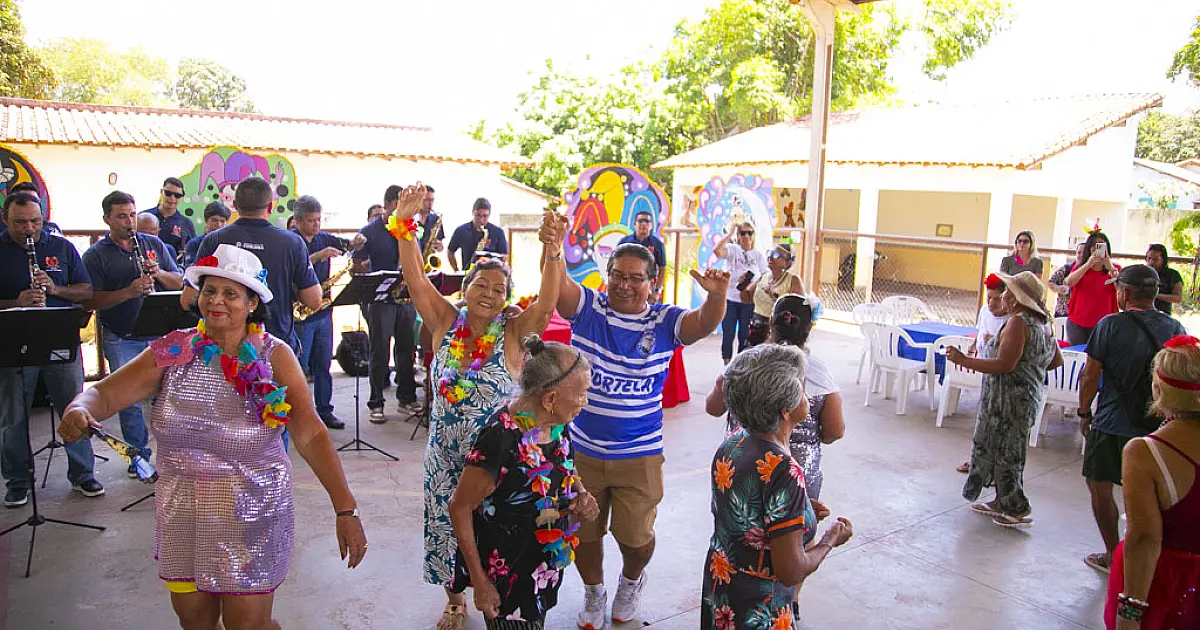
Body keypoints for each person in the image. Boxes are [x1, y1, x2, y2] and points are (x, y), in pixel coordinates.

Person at [58, 244, 367, 630]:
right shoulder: (175, 347)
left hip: (252, 515)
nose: (216, 301)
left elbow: (309, 433)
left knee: (248, 626)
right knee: (193, 620)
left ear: (252, 303)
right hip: (183, 514)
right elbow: (104, 393)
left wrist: (346, 509)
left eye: (230, 293)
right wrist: (80, 407)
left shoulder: (275, 357)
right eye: (209, 291)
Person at [390, 183, 566, 630]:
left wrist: (552, 251)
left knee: (497, 536)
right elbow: (414, 277)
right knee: (447, 534)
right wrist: (405, 227)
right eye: (481, 284)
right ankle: (455, 599)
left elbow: (546, 305)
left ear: (507, 296)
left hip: (496, 465)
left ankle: (496, 596)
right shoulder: (443, 321)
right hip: (445, 459)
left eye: (499, 287)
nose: (489, 292)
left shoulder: (513, 332)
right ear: (465, 287)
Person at [554, 240, 730, 628]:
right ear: (607, 276)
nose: (625, 284)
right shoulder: (589, 308)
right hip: (582, 451)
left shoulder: (665, 321)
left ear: (654, 281)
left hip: (640, 455)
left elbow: (703, 322)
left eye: (636, 278)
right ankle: (593, 591)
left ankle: (631, 581)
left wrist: (717, 297)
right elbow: (559, 287)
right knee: (584, 534)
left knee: (636, 539)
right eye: (618, 275)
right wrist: (552, 249)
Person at [448, 335, 601, 630]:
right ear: (550, 398)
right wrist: (480, 583)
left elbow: (565, 465)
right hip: (507, 577)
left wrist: (581, 493)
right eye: (581, 394)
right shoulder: (500, 438)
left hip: (540, 566)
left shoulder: (556, 424)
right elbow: (459, 506)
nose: (585, 402)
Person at [701, 344, 854, 629]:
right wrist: (830, 539)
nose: (807, 396)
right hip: (761, 609)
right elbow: (791, 571)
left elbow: (747, 515)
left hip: (723, 589)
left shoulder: (734, 442)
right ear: (786, 410)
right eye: (803, 390)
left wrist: (800, 509)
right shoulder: (785, 471)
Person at [1078, 265, 1187, 574]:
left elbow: (1090, 375)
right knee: (1153, 495)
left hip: (1112, 422)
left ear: (1124, 293)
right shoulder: (1176, 328)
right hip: (1160, 429)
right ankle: (1150, 557)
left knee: (1099, 484)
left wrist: (1084, 412)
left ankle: (1114, 555)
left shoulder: (1109, 325)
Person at [0, 192, 102, 506]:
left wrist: (55, 289)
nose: (29, 229)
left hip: (60, 343)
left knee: (75, 408)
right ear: (5, 220)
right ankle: (18, 480)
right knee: (13, 417)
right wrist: (16, 302)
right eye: (20, 223)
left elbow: (86, 291)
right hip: (13, 345)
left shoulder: (61, 247)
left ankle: (83, 473)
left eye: (35, 221)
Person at [946, 271, 1063, 527]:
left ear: (1018, 297)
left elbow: (1004, 364)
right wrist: (1031, 369)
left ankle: (1016, 506)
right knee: (1002, 448)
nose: (1005, 297)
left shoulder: (1019, 323)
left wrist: (963, 360)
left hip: (1008, 399)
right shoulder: (1044, 323)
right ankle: (1001, 500)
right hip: (1026, 396)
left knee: (1007, 452)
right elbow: (1055, 360)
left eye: (1009, 292)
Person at [706, 293, 843, 510]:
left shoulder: (745, 361)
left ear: (771, 322)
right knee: (796, 535)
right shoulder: (818, 372)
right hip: (799, 474)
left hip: (740, 468)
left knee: (741, 529)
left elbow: (713, 407)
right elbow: (835, 430)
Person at [1103, 335, 1200, 630]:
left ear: (1159, 388)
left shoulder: (1146, 452)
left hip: (1168, 585)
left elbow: (1145, 539)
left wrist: (1130, 614)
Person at [83, 190, 183, 473]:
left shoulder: (153, 244)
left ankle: (171, 454)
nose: (129, 222)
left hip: (160, 335)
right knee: (129, 401)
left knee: (169, 396)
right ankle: (138, 457)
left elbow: (179, 282)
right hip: (122, 336)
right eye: (121, 217)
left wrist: (158, 274)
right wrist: (128, 292)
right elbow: (90, 300)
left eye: (131, 215)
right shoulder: (96, 255)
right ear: (107, 219)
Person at [183, 177, 321, 355]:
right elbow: (314, 300)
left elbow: (187, 300)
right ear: (270, 207)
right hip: (275, 348)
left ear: (234, 205)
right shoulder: (292, 242)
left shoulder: (213, 240)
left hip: (222, 351)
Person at [291, 195, 366, 431]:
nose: (317, 225)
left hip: (324, 311)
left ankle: (325, 411)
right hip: (300, 314)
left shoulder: (323, 237)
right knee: (299, 368)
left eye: (319, 219)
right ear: (298, 220)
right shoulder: (291, 241)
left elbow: (349, 245)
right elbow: (293, 266)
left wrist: (357, 241)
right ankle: (297, 416)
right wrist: (318, 256)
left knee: (323, 365)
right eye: (311, 220)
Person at [351, 185, 420, 421]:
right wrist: (365, 267)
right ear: (390, 204)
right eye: (401, 206)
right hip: (381, 300)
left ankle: (406, 398)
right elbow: (358, 264)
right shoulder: (370, 231)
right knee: (379, 350)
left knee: (406, 349)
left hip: (406, 299)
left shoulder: (409, 229)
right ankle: (376, 402)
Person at [956, 273, 1012, 474]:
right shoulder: (984, 312)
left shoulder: (1013, 321)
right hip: (986, 374)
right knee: (983, 419)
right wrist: (972, 350)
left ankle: (992, 465)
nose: (992, 303)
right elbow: (979, 333)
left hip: (1002, 377)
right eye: (989, 298)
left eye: (997, 299)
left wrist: (996, 343)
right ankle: (976, 460)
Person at [714, 221, 768, 364]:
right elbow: (717, 251)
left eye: (749, 233)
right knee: (728, 332)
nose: (746, 236)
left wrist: (752, 283)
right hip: (730, 299)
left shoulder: (758, 256)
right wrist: (729, 233)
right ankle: (726, 365)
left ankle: (739, 364)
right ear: (738, 236)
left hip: (747, 301)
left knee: (744, 334)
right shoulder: (733, 249)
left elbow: (766, 275)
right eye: (742, 233)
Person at [1064, 231, 1120, 346]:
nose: (1096, 249)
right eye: (1094, 245)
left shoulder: (1115, 269)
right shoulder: (1080, 267)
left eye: (1100, 245)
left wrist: (1110, 267)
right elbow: (1069, 282)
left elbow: (1121, 289)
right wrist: (1088, 265)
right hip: (1077, 322)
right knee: (1077, 353)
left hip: (1104, 324)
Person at [746, 242, 806, 347]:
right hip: (755, 330)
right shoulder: (764, 276)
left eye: (776, 255)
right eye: (770, 253)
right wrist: (744, 283)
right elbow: (746, 298)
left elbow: (799, 311)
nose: (770, 257)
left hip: (776, 334)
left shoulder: (793, 280)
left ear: (787, 263)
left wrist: (775, 297)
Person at [616, 210, 667, 301]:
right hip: (627, 287)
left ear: (651, 226)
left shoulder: (657, 244)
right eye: (640, 221)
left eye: (647, 221)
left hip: (649, 289)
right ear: (635, 224)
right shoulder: (624, 242)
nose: (643, 224)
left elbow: (662, 268)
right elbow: (615, 264)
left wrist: (656, 291)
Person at [448, 198, 509, 271]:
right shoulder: (461, 231)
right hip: (469, 274)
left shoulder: (498, 232)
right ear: (473, 213)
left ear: (489, 214)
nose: (481, 220)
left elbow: (505, 256)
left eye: (485, 216)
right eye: (478, 215)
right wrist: (456, 271)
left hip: (492, 274)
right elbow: (450, 251)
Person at [146, 176, 195, 264]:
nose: (172, 198)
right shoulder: (145, 217)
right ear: (161, 192)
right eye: (168, 193)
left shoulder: (186, 224)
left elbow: (192, 251)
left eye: (177, 195)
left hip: (173, 271)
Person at [182, 201, 231, 268]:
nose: (219, 225)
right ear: (206, 220)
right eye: (214, 220)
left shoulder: (229, 245)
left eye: (222, 221)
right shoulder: (194, 243)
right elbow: (189, 269)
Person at [1048, 243, 1087, 318]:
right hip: (1063, 313)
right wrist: (1058, 288)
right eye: (1079, 252)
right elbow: (1051, 282)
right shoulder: (1066, 269)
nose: (1081, 255)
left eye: (1084, 253)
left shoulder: (1091, 272)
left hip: (1081, 315)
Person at [1145, 244, 1183, 315]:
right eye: (1149, 258)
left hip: (1163, 314)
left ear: (1163, 260)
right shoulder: (1142, 272)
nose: (1151, 262)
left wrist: (1156, 295)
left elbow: (1178, 298)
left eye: (1156, 259)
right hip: (1142, 313)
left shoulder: (1172, 275)